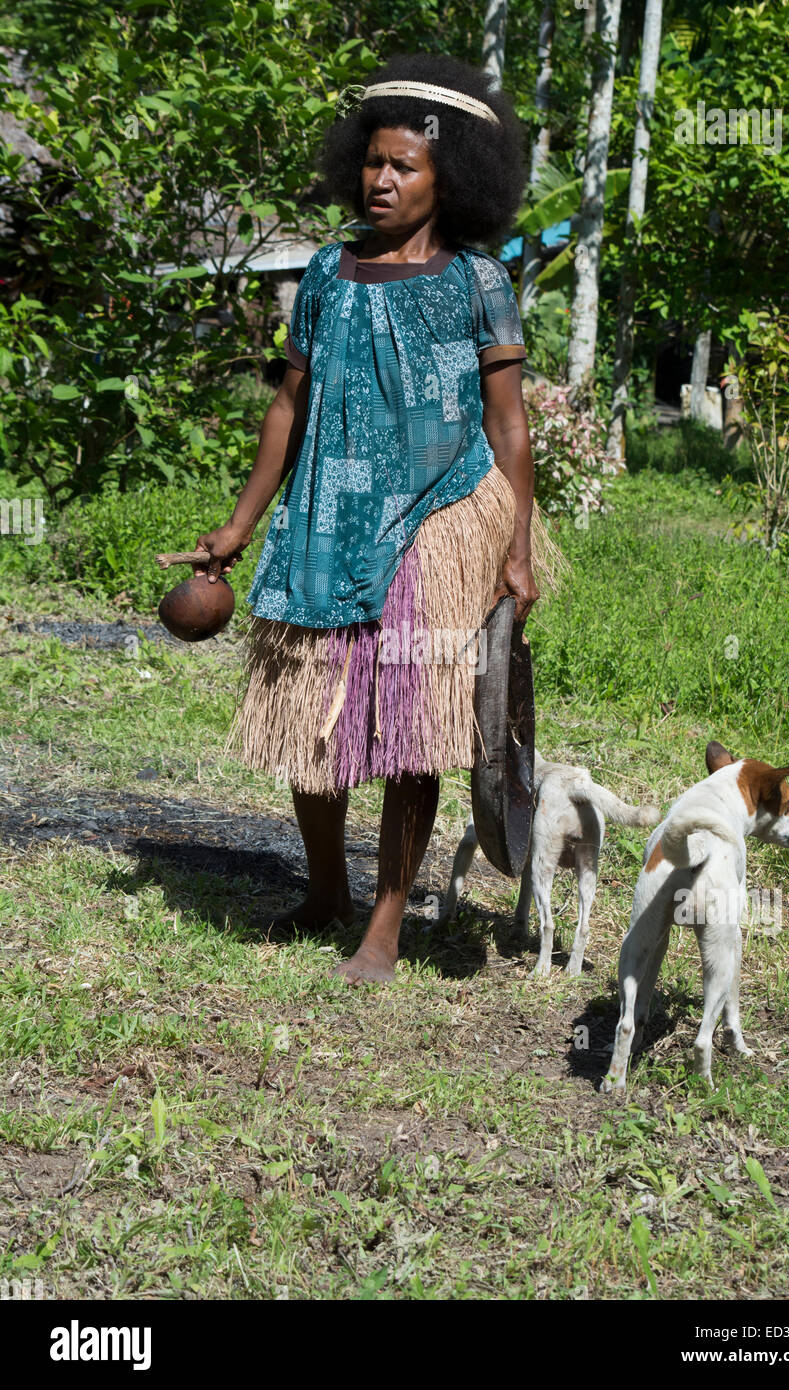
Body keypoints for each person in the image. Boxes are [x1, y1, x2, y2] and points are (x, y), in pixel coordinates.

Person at [195, 52, 555, 985]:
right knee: (307, 716)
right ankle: (326, 890)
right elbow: (290, 403)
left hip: (440, 511)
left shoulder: (477, 283)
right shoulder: (326, 271)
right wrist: (238, 526)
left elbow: (507, 423)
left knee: (409, 722)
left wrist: (516, 548)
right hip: (327, 511)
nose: (383, 179)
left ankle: (386, 924)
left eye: (407, 167)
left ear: (451, 179)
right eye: (375, 162)